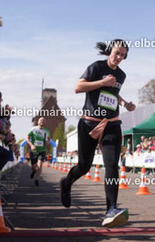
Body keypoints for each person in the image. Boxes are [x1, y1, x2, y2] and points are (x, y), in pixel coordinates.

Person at [60, 40, 136, 228]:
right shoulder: (96, 67)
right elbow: (78, 87)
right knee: (84, 166)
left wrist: (125, 103)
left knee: (112, 166)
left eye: (122, 55)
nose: (119, 57)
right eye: (117, 53)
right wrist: (102, 82)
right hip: (89, 123)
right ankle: (66, 183)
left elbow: (113, 92)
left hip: (111, 123)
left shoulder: (121, 75)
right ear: (110, 51)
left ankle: (111, 209)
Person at [27, 117, 50, 187]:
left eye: (43, 120)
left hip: (42, 150)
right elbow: (27, 137)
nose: (42, 121)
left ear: (45, 122)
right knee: (33, 166)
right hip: (34, 150)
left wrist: (47, 142)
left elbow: (49, 139)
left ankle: (37, 179)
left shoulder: (46, 131)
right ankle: (34, 171)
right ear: (38, 122)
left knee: (39, 164)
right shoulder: (33, 129)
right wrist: (31, 145)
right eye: (41, 120)